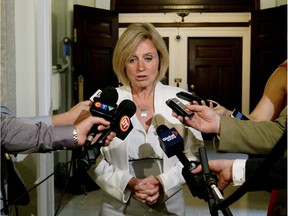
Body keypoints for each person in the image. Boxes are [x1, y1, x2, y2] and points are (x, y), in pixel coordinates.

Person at [89, 23, 203, 216]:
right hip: (117, 206)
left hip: (169, 202)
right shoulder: (105, 101)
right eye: (132, 60)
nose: (141, 67)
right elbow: (91, 159)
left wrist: (163, 182)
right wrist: (129, 183)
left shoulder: (180, 99)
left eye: (148, 58)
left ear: (160, 59)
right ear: (122, 63)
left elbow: (194, 154)